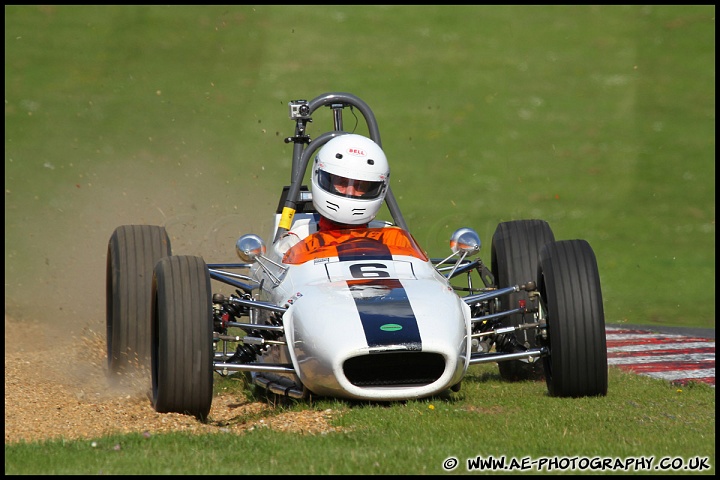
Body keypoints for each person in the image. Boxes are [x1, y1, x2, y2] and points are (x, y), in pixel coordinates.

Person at [275, 134, 428, 264]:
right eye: (341, 182)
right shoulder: (294, 244)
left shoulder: (396, 239)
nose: (350, 192)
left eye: (361, 186)